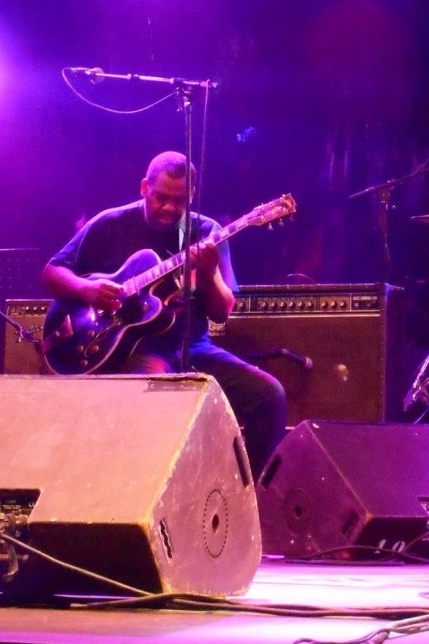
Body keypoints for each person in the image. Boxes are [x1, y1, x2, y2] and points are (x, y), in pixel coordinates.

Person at [42, 150, 287, 480]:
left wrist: (210, 273)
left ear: (192, 195)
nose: (170, 208)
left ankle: (247, 494)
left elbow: (222, 312)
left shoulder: (207, 232)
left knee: (269, 396)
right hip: (134, 351)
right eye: (161, 198)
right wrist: (88, 290)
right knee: (156, 394)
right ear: (145, 187)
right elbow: (52, 273)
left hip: (193, 347)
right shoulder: (110, 224)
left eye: (179, 200)